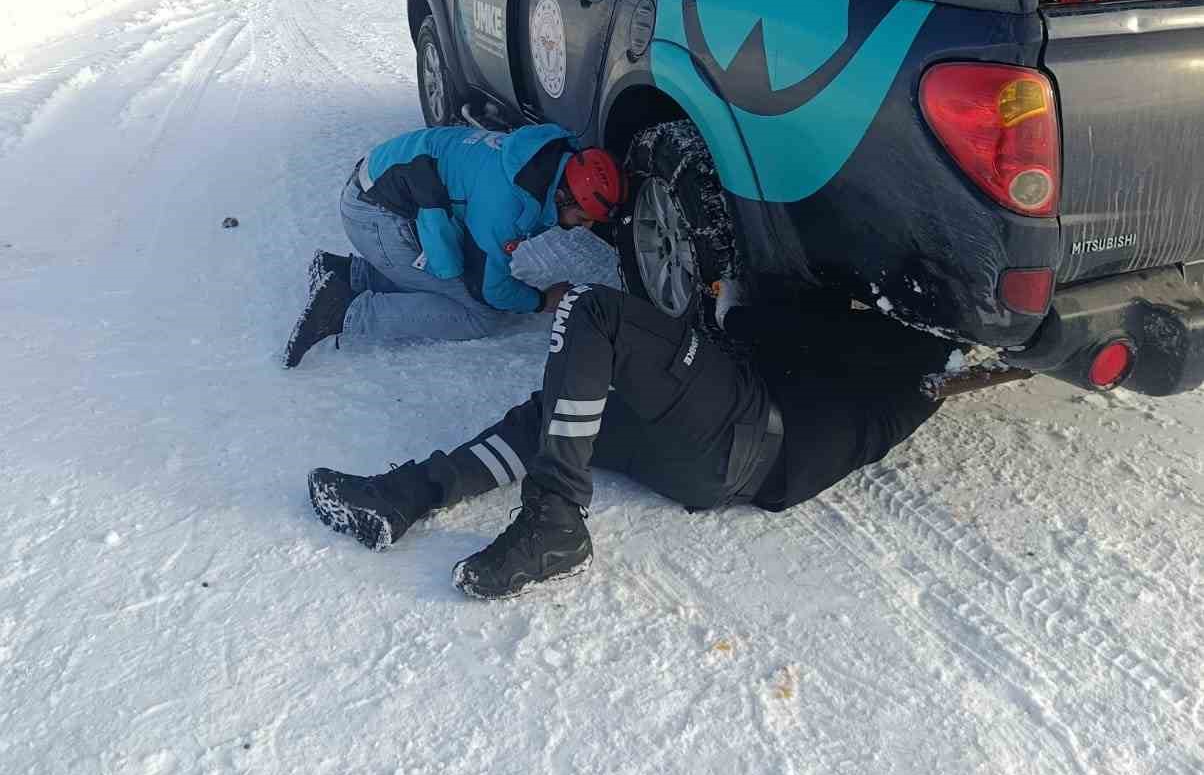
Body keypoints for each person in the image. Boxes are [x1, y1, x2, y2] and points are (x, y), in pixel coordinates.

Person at [305, 280, 955, 600]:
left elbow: (774, 331)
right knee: (563, 410)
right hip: (721, 464)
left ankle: (555, 516)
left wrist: (732, 305)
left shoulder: (909, 345)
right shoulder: (918, 368)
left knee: (596, 313)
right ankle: (409, 494)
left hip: (749, 429)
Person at [283, 124, 627, 367]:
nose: (589, 225)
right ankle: (345, 311)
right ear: (563, 194)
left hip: (378, 193)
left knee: (454, 279)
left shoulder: (535, 164)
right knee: (480, 315)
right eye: (584, 216)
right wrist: (541, 300)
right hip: (374, 216)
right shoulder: (503, 208)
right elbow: (491, 290)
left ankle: (348, 273)